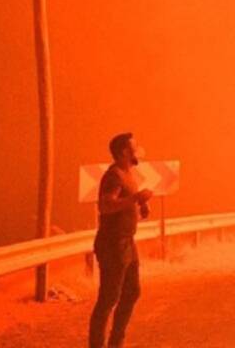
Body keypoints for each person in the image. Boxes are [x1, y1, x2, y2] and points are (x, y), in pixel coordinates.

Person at [89, 132, 152, 348]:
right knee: (108, 298)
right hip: (112, 243)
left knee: (132, 291)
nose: (138, 150)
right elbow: (106, 206)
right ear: (125, 152)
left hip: (126, 242)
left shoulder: (128, 173)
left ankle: (116, 342)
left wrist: (140, 205)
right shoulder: (114, 175)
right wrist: (135, 198)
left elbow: (125, 202)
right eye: (134, 147)